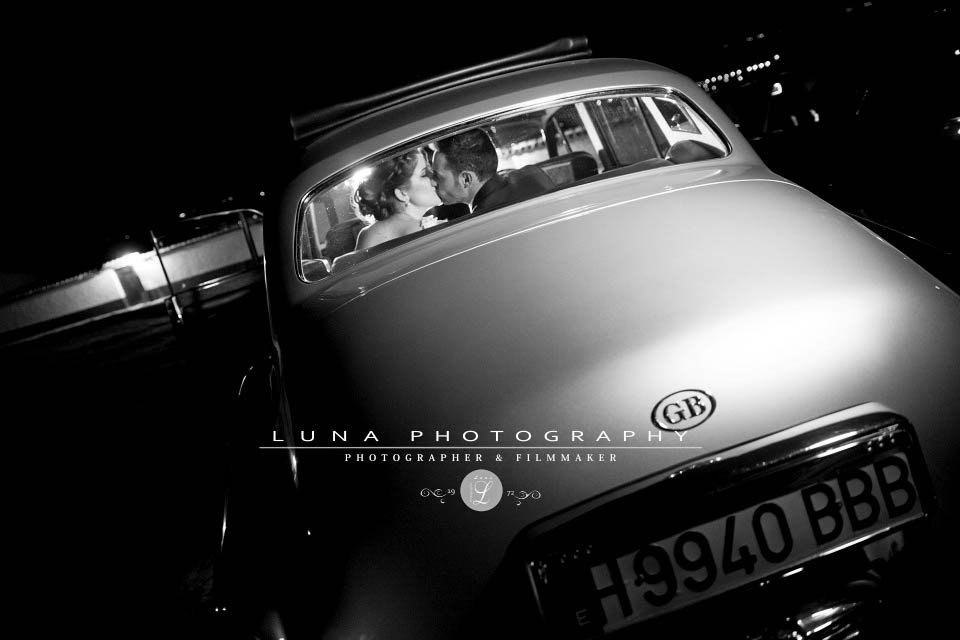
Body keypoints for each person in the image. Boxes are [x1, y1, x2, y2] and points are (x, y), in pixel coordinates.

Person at [431, 129, 554, 215]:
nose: (433, 182)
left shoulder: (482, 222)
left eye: (438, 176)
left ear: (466, 179)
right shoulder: (532, 173)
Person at [354, 149, 442, 251]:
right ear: (402, 193)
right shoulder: (428, 228)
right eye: (424, 174)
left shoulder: (366, 234)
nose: (434, 178)